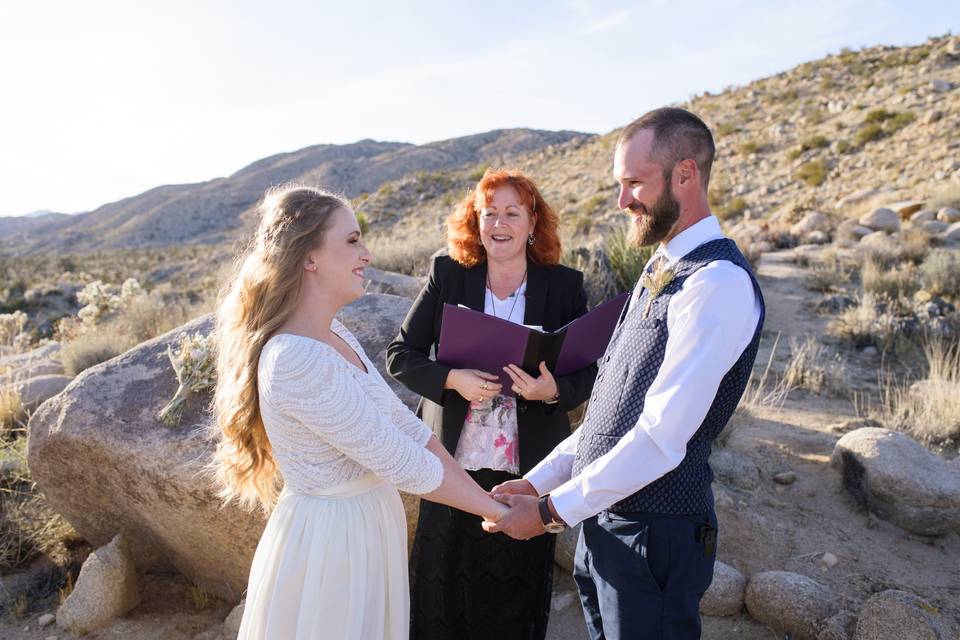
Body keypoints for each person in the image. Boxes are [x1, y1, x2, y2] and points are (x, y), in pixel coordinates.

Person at [484, 108, 766, 640]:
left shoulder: (716, 284)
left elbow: (661, 438)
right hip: (609, 525)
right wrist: (538, 480)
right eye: (620, 184)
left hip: (656, 536)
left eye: (635, 183)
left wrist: (548, 514)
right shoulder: (663, 266)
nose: (622, 202)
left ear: (685, 174)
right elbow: (613, 409)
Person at [210, 184, 509, 640]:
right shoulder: (294, 358)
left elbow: (408, 429)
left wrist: (485, 499)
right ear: (309, 257)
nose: (367, 254)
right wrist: (496, 511)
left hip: (366, 527)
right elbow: (400, 461)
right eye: (351, 241)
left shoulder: (336, 336)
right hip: (333, 544)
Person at [386, 168, 597, 640]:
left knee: (513, 587)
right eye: (489, 213)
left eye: (511, 213)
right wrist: (452, 379)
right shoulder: (449, 276)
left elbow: (593, 370)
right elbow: (401, 356)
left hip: (528, 468)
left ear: (532, 220)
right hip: (451, 463)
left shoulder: (564, 287)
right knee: (442, 583)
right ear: (475, 220)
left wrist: (553, 391)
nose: (499, 224)